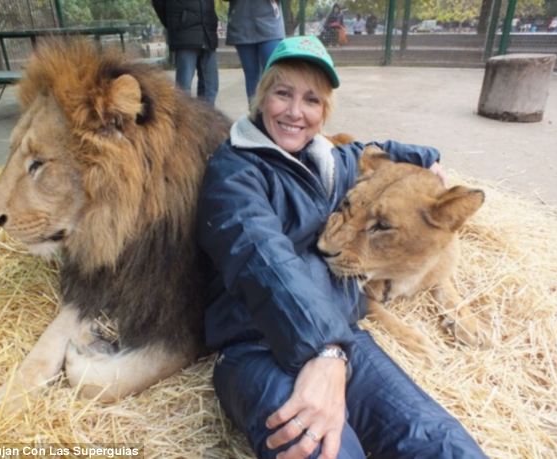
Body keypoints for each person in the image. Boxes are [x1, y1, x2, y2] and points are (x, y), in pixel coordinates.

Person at [197, 36, 487, 459]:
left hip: (342, 337)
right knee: (324, 452)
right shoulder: (234, 173)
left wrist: (431, 161)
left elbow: (381, 150)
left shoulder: (331, 159)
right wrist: (326, 350)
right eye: (283, 94)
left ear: (324, 112)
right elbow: (261, 259)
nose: (296, 112)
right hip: (254, 344)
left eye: (311, 100)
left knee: (445, 443)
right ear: (261, 97)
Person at [152, 0, 219, 105]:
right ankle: (184, 119)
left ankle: (206, 120)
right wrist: (175, 22)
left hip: (208, 33)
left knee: (210, 86)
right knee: (184, 89)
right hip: (184, 35)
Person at [225, 0, 285, 104]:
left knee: (274, 73)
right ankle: (255, 115)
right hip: (242, 24)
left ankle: (276, 111)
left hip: (270, 25)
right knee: (251, 75)